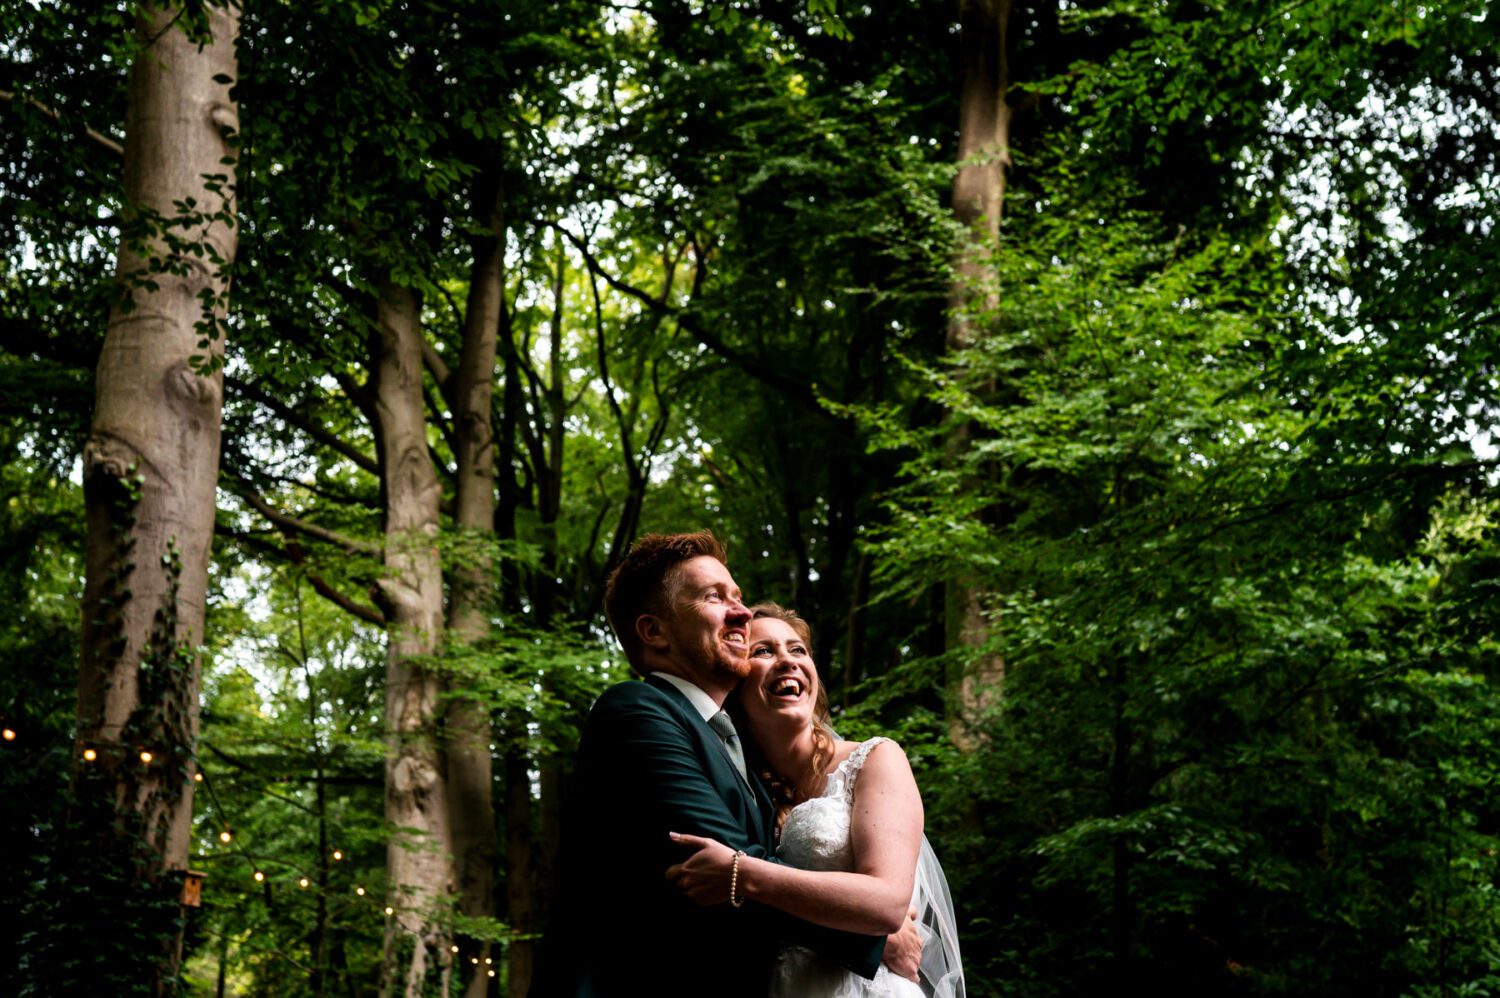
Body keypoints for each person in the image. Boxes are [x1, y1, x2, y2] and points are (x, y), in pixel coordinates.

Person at [529, 533, 917, 998]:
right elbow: (724, 856)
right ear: (654, 632)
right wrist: (872, 931)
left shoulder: (738, 754)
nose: (743, 613)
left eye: (738, 596)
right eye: (714, 597)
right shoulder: (636, 711)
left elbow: (742, 869)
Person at [667, 604, 966, 998]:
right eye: (764, 651)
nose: (788, 662)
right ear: (735, 687)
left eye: (798, 651)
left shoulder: (875, 759)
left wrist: (742, 873)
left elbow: (888, 904)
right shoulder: (745, 792)